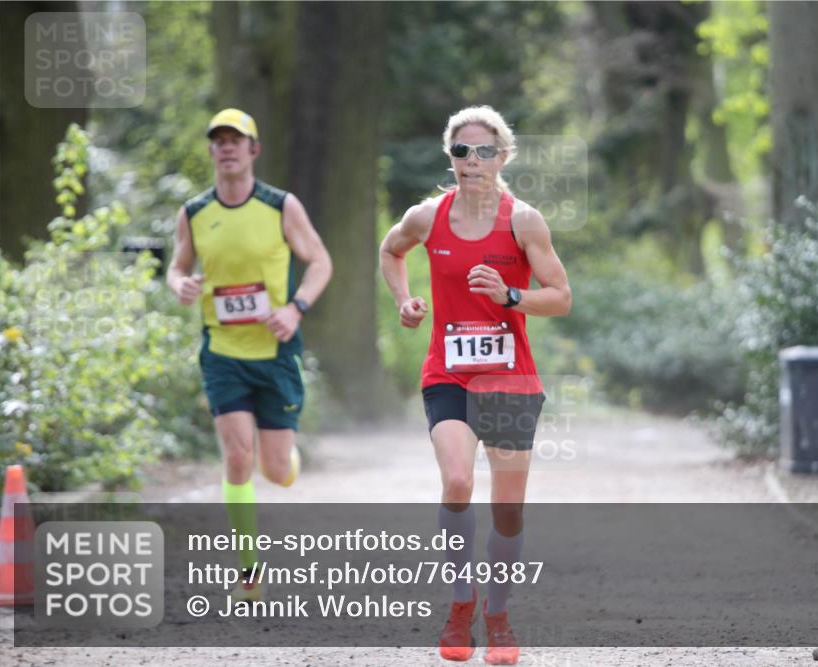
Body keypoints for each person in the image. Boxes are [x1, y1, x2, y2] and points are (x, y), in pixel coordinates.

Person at [379, 106, 571, 665]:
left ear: (503, 157)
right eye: (462, 151)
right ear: (451, 158)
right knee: (458, 480)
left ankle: (499, 614)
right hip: (450, 374)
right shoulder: (426, 216)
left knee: (508, 510)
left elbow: (560, 296)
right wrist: (405, 302)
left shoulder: (524, 221)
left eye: (485, 151)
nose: (473, 161)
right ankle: (462, 605)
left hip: (510, 379)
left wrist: (511, 297)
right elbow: (391, 251)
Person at [166, 108, 332, 602]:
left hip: (276, 353)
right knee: (237, 457)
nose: (227, 148)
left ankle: (285, 459)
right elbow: (176, 267)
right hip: (222, 352)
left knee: (275, 472)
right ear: (212, 151)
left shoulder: (281, 207)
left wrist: (297, 308)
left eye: (236, 140)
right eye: (218, 140)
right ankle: (249, 573)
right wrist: (182, 284)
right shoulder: (194, 212)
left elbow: (321, 261)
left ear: (253, 149)